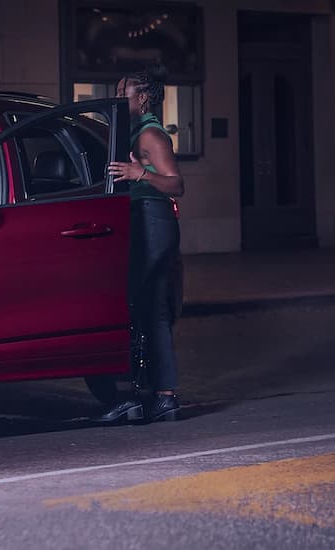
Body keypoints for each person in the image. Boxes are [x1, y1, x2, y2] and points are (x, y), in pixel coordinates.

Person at [99, 63, 185, 423]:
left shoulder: (151, 136)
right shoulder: (132, 132)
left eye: (124, 94)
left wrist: (140, 173)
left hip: (153, 221)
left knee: (140, 305)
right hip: (144, 220)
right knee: (150, 309)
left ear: (144, 98)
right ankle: (162, 396)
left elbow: (176, 184)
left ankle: (146, 395)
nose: (119, 98)